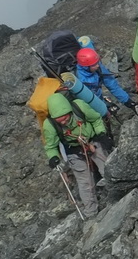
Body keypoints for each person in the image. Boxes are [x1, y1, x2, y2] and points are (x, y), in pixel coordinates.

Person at [42, 90, 111, 218]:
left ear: (69, 111)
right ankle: (91, 213)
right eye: (59, 120)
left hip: (92, 142)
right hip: (74, 151)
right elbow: (51, 146)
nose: (63, 122)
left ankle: (117, 193)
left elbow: (96, 119)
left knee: (106, 168)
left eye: (65, 118)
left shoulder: (79, 106)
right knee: (85, 182)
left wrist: (101, 133)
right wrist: (53, 157)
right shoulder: (50, 125)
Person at [73, 42, 137, 113]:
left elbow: (112, 85)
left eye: (97, 62)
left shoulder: (97, 68)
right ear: (85, 67)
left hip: (97, 98)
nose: (98, 65)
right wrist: (104, 106)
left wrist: (129, 102)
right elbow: (88, 100)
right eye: (94, 64)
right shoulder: (79, 80)